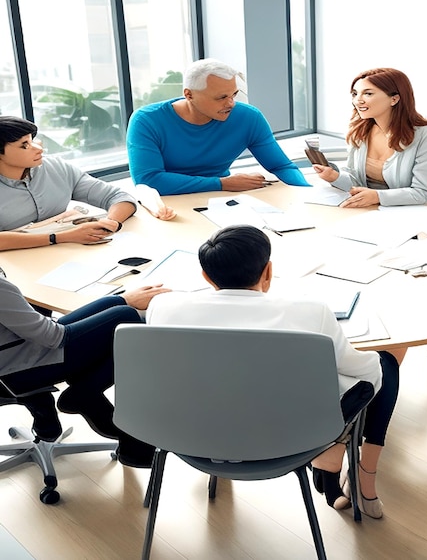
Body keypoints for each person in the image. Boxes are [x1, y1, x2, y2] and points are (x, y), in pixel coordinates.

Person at [146, 225, 400, 518]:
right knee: (382, 366)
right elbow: (366, 374)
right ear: (268, 272)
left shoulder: (162, 307)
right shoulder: (310, 311)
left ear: (205, 277)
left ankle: (332, 454)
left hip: (187, 436)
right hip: (287, 441)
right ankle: (341, 456)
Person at [0, 266, 171, 466]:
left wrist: (121, 298)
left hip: (15, 353)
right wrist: (124, 302)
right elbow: (54, 337)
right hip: (18, 372)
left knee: (114, 311)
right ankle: (87, 393)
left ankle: (86, 395)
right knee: (127, 320)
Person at [126, 58, 311, 195]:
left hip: (221, 201)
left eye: (234, 94)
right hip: (167, 206)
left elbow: (282, 166)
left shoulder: (249, 117)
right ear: (189, 95)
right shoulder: (146, 121)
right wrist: (221, 183)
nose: (231, 103)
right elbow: (148, 180)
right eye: (221, 97)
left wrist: (309, 195)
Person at [0, 116, 150, 252]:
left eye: (32, 140)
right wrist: (62, 237)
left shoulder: (56, 167)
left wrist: (110, 223)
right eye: (24, 145)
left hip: (65, 253)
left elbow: (119, 197)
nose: (39, 149)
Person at [313, 67, 427, 207]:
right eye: (355, 94)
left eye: (368, 94)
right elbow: (357, 181)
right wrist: (334, 177)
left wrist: (377, 196)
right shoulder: (360, 131)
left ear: (394, 99)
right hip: (369, 209)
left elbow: (423, 192)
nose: (357, 101)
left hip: (406, 211)